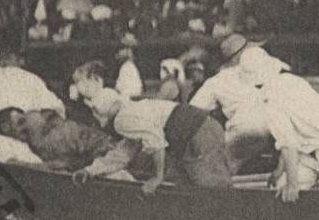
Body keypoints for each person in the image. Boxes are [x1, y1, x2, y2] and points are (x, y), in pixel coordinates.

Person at [70, 63, 232, 193]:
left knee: (213, 191)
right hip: (204, 128)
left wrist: (157, 177)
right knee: (184, 181)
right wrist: (90, 170)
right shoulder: (133, 111)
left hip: (199, 133)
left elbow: (156, 141)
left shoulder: (122, 119)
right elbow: (123, 154)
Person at [242, 47, 319, 201]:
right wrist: (280, 171)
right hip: (310, 152)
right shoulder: (290, 79)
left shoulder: (270, 101)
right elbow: (291, 135)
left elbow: (288, 144)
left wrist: (292, 185)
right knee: (282, 190)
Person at [189, 33, 279, 168]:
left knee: (215, 166)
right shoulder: (271, 65)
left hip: (246, 131)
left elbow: (193, 112)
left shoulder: (218, 80)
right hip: (276, 129)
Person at [0, 50, 61, 165]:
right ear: (3, 60)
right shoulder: (29, 77)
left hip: (0, 141)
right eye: (19, 58)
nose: (22, 62)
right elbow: (57, 110)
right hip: (26, 143)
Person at [0, 106, 120, 174]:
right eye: (12, 131)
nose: (19, 130)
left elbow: (63, 164)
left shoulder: (55, 133)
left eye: (22, 122)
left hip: (110, 159)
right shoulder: (34, 145)